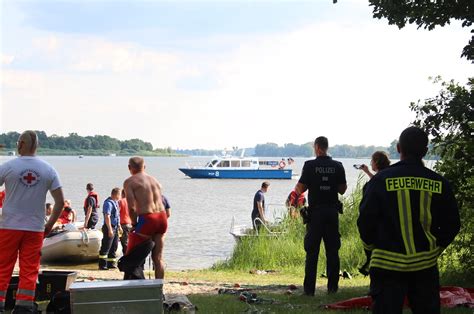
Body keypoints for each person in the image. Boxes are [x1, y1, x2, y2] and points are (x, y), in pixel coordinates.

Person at [358, 127, 460, 314]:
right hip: (425, 266)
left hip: (386, 266)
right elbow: (452, 224)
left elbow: (364, 222)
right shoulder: (439, 183)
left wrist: (372, 250)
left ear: (398, 148)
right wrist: (435, 248)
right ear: (426, 151)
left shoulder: (379, 181)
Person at [0, 130, 64, 313]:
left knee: (3, 266)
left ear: (20, 144)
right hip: (35, 228)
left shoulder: (8, 167)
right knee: (29, 269)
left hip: (8, 226)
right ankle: (24, 306)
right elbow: (59, 201)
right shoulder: (48, 169)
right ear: (38, 146)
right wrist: (49, 225)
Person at [292, 136, 347, 296]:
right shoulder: (338, 166)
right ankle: (333, 289)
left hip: (315, 214)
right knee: (332, 251)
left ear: (317, 147)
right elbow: (342, 190)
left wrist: (301, 186)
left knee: (312, 252)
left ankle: (309, 290)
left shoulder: (309, 165)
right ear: (326, 147)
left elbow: (300, 189)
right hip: (332, 213)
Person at [124, 157, 168, 279]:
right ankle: (159, 291)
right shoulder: (155, 181)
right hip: (162, 218)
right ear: (145, 167)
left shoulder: (130, 182)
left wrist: (133, 224)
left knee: (133, 257)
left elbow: (131, 207)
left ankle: (134, 288)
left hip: (147, 219)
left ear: (129, 168)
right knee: (158, 258)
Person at [98, 188, 122, 270]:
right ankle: (102, 265)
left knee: (114, 246)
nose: (120, 197)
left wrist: (119, 227)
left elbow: (117, 217)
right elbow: (107, 216)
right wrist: (110, 229)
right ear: (116, 194)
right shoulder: (108, 203)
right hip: (109, 227)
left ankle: (111, 264)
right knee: (106, 246)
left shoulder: (115, 203)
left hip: (115, 227)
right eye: (119, 195)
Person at [118, 189, 132, 256]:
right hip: (130, 225)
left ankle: (126, 257)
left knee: (124, 243)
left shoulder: (120, 202)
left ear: (122, 194)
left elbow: (117, 213)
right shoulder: (131, 202)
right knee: (129, 242)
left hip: (123, 225)